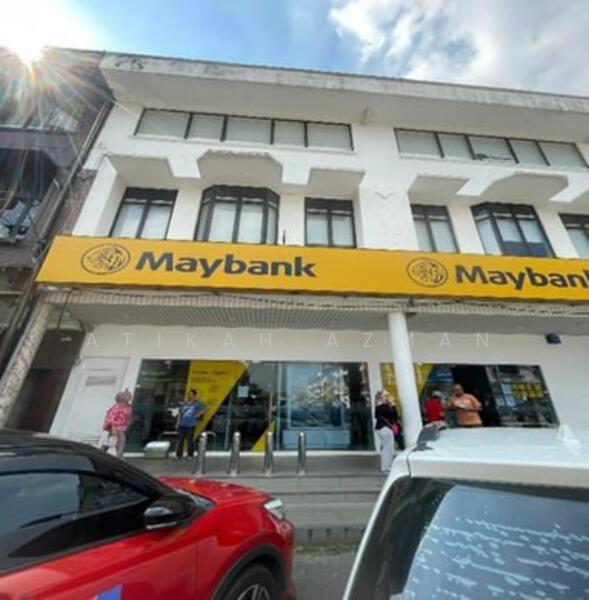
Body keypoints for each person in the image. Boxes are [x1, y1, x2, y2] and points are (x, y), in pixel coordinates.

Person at [101, 389, 133, 458]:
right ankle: (119, 457)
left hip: (122, 427)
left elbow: (128, 417)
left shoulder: (128, 407)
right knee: (121, 440)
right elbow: (110, 417)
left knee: (109, 441)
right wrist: (112, 427)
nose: (129, 398)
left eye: (129, 396)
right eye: (127, 396)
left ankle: (100, 452)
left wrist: (127, 424)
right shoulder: (117, 406)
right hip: (115, 426)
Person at [176, 389, 206, 460]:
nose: (190, 396)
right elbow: (180, 414)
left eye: (191, 394)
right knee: (180, 440)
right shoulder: (184, 404)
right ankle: (179, 455)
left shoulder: (197, 403)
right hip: (182, 424)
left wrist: (197, 415)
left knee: (190, 440)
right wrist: (177, 423)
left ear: (194, 395)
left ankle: (190, 455)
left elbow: (204, 408)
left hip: (191, 425)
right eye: (189, 394)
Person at [374, 390, 398, 473]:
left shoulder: (378, 407)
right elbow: (394, 417)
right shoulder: (384, 406)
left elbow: (377, 416)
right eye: (386, 395)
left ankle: (386, 466)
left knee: (386, 448)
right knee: (388, 449)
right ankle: (386, 467)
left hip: (380, 428)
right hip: (385, 428)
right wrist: (393, 404)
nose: (388, 397)